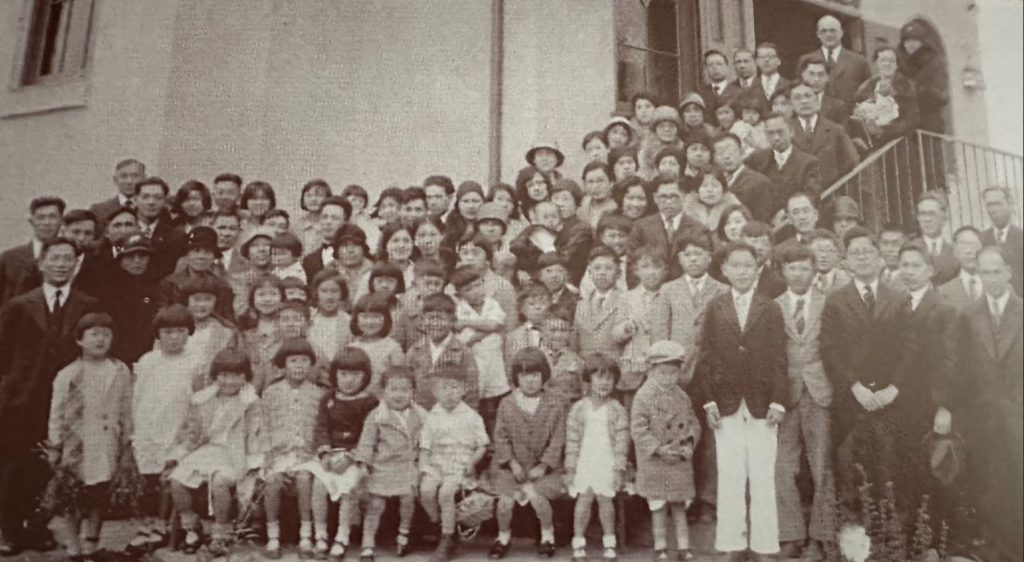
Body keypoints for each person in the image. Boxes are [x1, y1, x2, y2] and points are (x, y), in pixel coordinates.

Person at [0, 237, 98, 555]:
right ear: (42, 263)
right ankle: (11, 530)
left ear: (76, 264)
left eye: (67, 259)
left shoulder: (87, 304)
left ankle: (40, 528)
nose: (60, 265)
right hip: (23, 402)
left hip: (69, 401)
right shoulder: (19, 305)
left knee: (53, 469)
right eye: (54, 259)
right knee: (16, 466)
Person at [696, 242, 788, 560]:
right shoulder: (715, 306)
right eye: (735, 265)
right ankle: (732, 543)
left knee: (762, 474)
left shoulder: (770, 307)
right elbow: (705, 355)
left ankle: (764, 545)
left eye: (748, 265)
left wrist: (778, 401)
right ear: (724, 270)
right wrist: (708, 402)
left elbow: (780, 356)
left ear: (758, 269)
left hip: (763, 401)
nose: (742, 271)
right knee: (731, 473)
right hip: (726, 401)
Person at [820, 227, 915, 511]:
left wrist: (894, 388)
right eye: (855, 253)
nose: (862, 258)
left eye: (868, 252)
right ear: (845, 260)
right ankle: (853, 540)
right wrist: (855, 386)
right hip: (851, 400)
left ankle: (891, 538)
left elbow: (910, 349)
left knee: (889, 467)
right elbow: (830, 350)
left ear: (880, 257)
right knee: (849, 466)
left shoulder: (898, 298)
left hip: (889, 399)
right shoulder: (835, 300)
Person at [45, 312, 133, 562]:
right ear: (79, 340)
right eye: (94, 335)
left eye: (106, 335)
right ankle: (73, 547)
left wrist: (127, 439)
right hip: (78, 443)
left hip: (107, 442)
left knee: (99, 493)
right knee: (73, 495)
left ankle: (91, 544)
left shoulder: (119, 370)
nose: (100, 340)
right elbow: (57, 412)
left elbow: (126, 406)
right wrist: (55, 445)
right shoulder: (68, 373)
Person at [956, 246, 1023, 559]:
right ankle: (999, 548)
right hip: (985, 417)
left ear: (1008, 272)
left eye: (997, 271)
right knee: (991, 483)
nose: (992, 278)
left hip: (1019, 413)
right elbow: (963, 367)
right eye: (985, 272)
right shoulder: (968, 315)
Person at [166, 347, 263, 557]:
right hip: (206, 451)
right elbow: (193, 433)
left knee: (220, 481)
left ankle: (221, 531)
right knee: (177, 479)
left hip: (234, 453)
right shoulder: (204, 400)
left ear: (245, 377)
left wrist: (253, 465)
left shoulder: (250, 402)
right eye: (224, 375)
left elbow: (254, 435)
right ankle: (192, 527)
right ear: (215, 376)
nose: (229, 381)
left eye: (237, 376)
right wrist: (179, 454)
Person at [772, 243, 835, 560]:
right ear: (783, 272)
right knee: (782, 465)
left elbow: (836, 350)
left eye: (804, 268)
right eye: (792, 268)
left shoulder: (828, 304)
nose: (798, 274)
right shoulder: (774, 306)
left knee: (821, 464)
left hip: (820, 391)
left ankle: (820, 538)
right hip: (786, 394)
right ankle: (791, 534)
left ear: (814, 272)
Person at [129, 305, 202, 554]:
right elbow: (138, 398)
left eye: (180, 331)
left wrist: (187, 436)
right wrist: (136, 430)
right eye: (168, 332)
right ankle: (150, 525)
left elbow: (198, 403)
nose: (174, 337)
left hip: (179, 430)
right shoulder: (147, 361)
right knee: (148, 479)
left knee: (169, 478)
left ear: (189, 333)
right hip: (149, 428)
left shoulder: (195, 363)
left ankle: (170, 527)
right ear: (158, 334)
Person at [488, 348, 566, 560]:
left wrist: (543, 466)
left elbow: (558, 440)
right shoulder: (507, 404)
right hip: (512, 468)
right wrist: (512, 463)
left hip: (544, 470)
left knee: (539, 500)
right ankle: (503, 537)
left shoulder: (555, 405)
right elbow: (501, 437)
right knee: (505, 502)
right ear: (516, 378)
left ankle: (547, 536)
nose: (530, 381)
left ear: (544, 377)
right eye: (524, 376)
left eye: (535, 376)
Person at [306, 346, 379, 559]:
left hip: (355, 456)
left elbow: (369, 436)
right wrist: (325, 453)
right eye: (343, 374)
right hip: (332, 454)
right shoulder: (328, 398)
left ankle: (342, 536)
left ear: (365, 377)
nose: (349, 380)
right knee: (319, 485)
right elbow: (321, 428)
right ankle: (320, 535)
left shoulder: (370, 402)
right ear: (335, 375)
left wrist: (351, 458)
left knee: (347, 488)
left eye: (356, 375)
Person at [632, 340, 702, 561]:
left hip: (678, 460)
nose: (668, 378)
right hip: (656, 461)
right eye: (662, 372)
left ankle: (683, 547)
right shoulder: (643, 396)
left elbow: (693, 423)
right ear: (651, 370)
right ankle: (660, 546)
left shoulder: (682, 396)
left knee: (679, 505)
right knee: (659, 506)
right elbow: (639, 429)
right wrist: (657, 449)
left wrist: (689, 444)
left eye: (673, 373)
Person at [353, 366, 426, 559]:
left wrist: (422, 462)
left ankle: (404, 533)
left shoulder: (420, 415)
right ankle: (367, 542)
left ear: (413, 392)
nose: (399, 395)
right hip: (383, 466)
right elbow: (367, 443)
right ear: (383, 392)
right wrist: (364, 465)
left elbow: (427, 442)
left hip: (407, 465)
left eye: (405, 390)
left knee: (408, 498)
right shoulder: (377, 416)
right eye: (393, 389)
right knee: (376, 504)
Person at [418, 364, 490, 562]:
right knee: (426, 491)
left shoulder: (471, 416)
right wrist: (424, 468)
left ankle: (447, 537)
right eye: (443, 388)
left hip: (460, 462)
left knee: (446, 493)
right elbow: (425, 447)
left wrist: (472, 463)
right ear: (434, 391)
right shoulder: (432, 416)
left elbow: (482, 446)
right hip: (436, 461)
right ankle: (438, 523)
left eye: (454, 388)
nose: (449, 393)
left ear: (464, 389)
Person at [261, 337, 325, 559]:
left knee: (305, 478)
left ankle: (306, 534)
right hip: (277, 454)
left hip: (306, 455)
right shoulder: (271, 393)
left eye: (304, 360)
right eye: (293, 360)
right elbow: (265, 426)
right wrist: (269, 453)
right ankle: (273, 535)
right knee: (273, 482)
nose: (299, 365)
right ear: (283, 364)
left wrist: (310, 453)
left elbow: (320, 430)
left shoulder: (318, 394)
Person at [564, 353, 629, 561]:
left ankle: (609, 542)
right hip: (585, 460)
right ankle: (578, 542)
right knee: (584, 499)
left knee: (605, 500)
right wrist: (570, 468)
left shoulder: (617, 410)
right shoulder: (578, 409)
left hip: (607, 461)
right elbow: (572, 441)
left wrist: (619, 468)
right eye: (599, 377)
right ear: (589, 380)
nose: (604, 383)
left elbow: (622, 442)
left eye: (609, 378)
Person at [451, 265, 508, 432]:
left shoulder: (492, 304)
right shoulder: (459, 310)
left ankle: (495, 442)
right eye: (469, 289)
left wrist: (469, 325)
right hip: (473, 362)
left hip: (494, 362)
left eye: (478, 285)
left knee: (494, 404)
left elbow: (494, 324)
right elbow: (463, 341)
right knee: (476, 403)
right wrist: (486, 331)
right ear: (459, 294)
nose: (476, 291)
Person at [744, 113, 823, 222]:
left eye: (780, 132)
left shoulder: (808, 162)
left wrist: (786, 212)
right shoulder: (757, 158)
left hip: (792, 221)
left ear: (791, 132)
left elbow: (811, 193)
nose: (776, 138)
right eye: (770, 133)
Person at [407, 293, 480, 410]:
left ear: (452, 321)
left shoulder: (463, 352)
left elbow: (471, 392)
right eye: (430, 318)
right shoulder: (415, 350)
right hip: (421, 415)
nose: (435, 324)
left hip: (451, 417)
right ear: (422, 320)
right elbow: (408, 384)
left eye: (440, 318)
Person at [617, 249, 671, 408]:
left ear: (665, 270)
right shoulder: (626, 298)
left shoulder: (670, 295)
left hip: (660, 368)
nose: (651, 272)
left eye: (657, 267)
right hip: (633, 369)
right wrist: (624, 329)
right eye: (645, 267)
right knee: (633, 412)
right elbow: (615, 335)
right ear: (636, 270)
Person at [789, 81, 860, 188]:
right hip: (797, 198)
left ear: (817, 101)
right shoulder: (785, 131)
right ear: (791, 105)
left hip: (832, 193)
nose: (804, 101)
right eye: (797, 98)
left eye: (808, 96)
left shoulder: (836, 130)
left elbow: (852, 163)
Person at [159, 226, 236, 322]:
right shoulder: (169, 285)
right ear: (187, 254)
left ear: (213, 257)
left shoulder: (222, 288)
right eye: (196, 251)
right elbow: (161, 319)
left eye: (207, 252)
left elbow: (228, 321)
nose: (201, 257)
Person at [0, 196, 65, 307]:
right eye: (40, 217)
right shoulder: (9, 258)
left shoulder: (70, 257)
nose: (46, 222)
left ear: (61, 220)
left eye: (52, 217)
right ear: (31, 221)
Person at [626, 174, 704, 266]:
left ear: (683, 196)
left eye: (674, 196)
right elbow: (631, 261)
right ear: (655, 198)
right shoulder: (640, 227)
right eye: (663, 197)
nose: (669, 202)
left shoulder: (698, 228)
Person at [850, 47, 920, 149]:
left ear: (897, 65)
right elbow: (855, 108)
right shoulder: (867, 86)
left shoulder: (906, 87)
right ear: (876, 63)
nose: (887, 64)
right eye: (883, 60)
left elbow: (911, 121)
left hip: (898, 145)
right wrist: (858, 113)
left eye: (891, 61)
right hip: (872, 144)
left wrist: (882, 130)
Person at [797, 15, 872, 106]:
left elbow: (867, 94)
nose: (828, 35)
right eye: (823, 31)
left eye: (833, 30)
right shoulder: (805, 60)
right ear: (818, 34)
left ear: (841, 33)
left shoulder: (859, 62)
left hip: (847, 118)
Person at [572, 246, 631, 358]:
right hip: (585, 365)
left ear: (618, 273)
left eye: (608, 268)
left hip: (614, 365)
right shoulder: (582, 302)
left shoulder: (626, 300)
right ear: (590, 273)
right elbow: (575, 337)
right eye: (597, 268)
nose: (602, 272)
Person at [897, 21, 949, 134]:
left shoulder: (935, 63)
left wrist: (919, 89)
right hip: (907, 126)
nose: (910, 45)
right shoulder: (900, 64)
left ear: (922, 42)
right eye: (907, 41)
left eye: (914, 41)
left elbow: (942, 97)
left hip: (928, 124)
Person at [133, 177, 188, 280]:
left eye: (158, 197)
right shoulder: (125, 228)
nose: (151, 202)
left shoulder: (177, 236)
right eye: (145, 197)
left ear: (165, 201)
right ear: (135, 200)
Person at [714, 133, 774, 223]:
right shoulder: (712, 181)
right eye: (720, 153)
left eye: (731, 152)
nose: (726, 157)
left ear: (742, 152)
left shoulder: (759, 182)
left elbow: (762, 221)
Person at [980, 186, 1023, 296]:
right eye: (989, 205)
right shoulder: (980, 239)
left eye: (998, 203)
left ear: (1010, 205)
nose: (994, 209)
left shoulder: (1021, 238)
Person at [307, 269, 352, 365]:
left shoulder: (349, 322)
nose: (329, 297)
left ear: (342, 294)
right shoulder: (308, 320)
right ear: (316, 293)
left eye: (334, 291)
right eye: (324, 291)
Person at [303, 196, 351, 282]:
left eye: (335, 218)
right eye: (324, 217)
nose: (328, 222)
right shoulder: (309, 261)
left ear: (346, 222)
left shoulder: (354, 256)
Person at [915, 191, 959, 285]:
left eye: (932, 214)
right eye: (923, 214)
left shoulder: (955, 253)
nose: (927, 219)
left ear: (944, 218)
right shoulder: (909, 249)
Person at [938, 226, 985, 311]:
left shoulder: (999, 285)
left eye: (973, 244)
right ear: (955, 252)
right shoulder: (944, 292)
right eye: (963, 245)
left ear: (982, 249)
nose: (969, 251)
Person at [89, 159, 146, 224]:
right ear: (115, 180)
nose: (129, 181)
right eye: (123, 176)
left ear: (144, 179)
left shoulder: (152, 208)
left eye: (135, 176)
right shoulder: (98, 210)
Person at [639, 106, 686, 180]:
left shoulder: (683, 148)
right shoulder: (646, 151)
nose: (667, 130)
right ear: (655, 130)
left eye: (671, 126)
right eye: (661, 126)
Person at [799, 58, 849, 125]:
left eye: (821, 74)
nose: (816, 79)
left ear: (827, 77)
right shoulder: (793, 103)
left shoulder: (838, 106)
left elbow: (843, 133)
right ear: (803, 75)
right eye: (811, 74)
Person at [808, 229, 853, 295]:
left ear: (837, 254)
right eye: (818, 250)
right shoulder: (803, 279)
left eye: (829, 250)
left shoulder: (849, 281)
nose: (824, 255)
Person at [754, 43, 791, 112]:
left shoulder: (789, 85)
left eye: (771, 56)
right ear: (756, 62)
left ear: (779, 61)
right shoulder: (751, 86)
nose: (766, 60)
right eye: (762, 57)